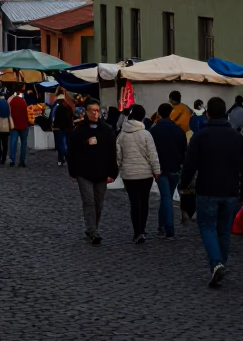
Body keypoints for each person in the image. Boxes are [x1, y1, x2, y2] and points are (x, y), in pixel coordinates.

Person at [180, 96, 243, 288]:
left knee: (207, 227)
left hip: (207, 189)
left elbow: (189, 164)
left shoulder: (200, 136)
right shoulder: (236, 137)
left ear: (208, 114)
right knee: (224, 230)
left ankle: (216, 263)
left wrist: (183, 184)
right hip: (230, 191)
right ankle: (221, 265)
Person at [67, 99, 118, 245]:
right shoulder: (79, 131)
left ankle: (93, 228)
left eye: (97, 110)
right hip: (84, 172)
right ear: (86, 112)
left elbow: (112, 153)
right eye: (92, 111)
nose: (95, 113)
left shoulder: (107, 130)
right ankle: (93, 231)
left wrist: (113, 172)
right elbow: (72, 152)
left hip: (101, 173)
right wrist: (73, 172)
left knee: (98, 203)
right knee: (89, 202)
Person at [116, 105, 161, 243]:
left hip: (129, 174)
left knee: (134, 202)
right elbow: (152, 154)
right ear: (142, 118)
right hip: (145, 174)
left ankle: (137, 231)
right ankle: (142, 229)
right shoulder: (146, 134)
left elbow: (118, 155)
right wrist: (156, 171)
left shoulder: (122, 134)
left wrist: (116, 170)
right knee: (144, 201)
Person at [150, 102, 189, 239]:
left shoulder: (154, 130)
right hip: (175, 168)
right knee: (167, 198)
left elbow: (151, 151)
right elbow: (184, 150)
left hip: (160, 168)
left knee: (166, 198)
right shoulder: (179, 130)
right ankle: (162, 226)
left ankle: (168, 227)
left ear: (159, 114)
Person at [7, 88, 30, 168]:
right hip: (24, 126)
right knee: (23, 144)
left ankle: (12, 161)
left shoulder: (12, 101)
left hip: (14, 126)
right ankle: (22, 162)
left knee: (13, 143)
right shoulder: (23, 101)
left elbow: (9, 113)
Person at [51, 93, 75, 167]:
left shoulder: (56, 105)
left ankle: (61, 159)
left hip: (60, 128)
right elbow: (72, 116)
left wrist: (53, 124)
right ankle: (67, 159)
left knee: (61, 144)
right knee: (67, 144)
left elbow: (53, 116)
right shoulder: (68, 106)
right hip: (68, 128)